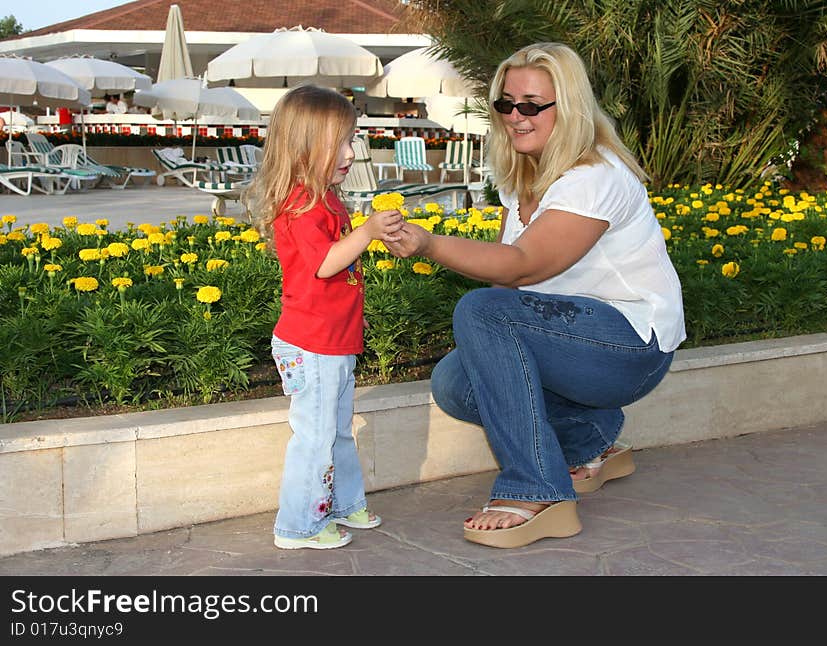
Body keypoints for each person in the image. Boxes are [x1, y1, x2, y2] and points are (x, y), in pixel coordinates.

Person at [385, 42, 686, 549]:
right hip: (574, 342)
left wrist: (430, 243)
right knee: (455, 383)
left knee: (480, 310)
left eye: (531, 105)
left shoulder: (594, 177)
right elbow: (511, 285)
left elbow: (523, 268)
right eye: (505, 104)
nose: (515, 117)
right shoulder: (522, 176)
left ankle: (537, 489)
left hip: (631, 346)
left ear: (566, 107)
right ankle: (590, 441)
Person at [246, 85, 404, 550]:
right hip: (310, 344)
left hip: (333, 339)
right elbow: (325, 264)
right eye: (340, 142)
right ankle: (299, 525)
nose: (351, 153)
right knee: (314, 438)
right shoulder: (300, 206)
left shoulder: (328, 199)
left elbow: (338, 278)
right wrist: (370, 231)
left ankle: (340, 503)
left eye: (352, 139)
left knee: (336, 431)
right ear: (302, 145)